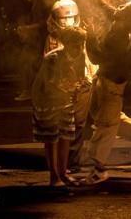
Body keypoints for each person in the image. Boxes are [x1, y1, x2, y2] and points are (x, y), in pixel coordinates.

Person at [83, 0, 131, 184]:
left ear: (128, 18)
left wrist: (89, 35)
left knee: (106, 125)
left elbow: (96, 57)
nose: (119, 6)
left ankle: (99, 169)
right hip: (105, 81)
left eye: (125, 7)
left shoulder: (120, 36)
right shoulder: (124, 25)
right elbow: (109, 8)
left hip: (111, 85)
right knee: (100, 115)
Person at [31, 24, 87, 187]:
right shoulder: (53, 58)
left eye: (80, 43)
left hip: (65, 100)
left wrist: (78, 87)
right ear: (65, 43)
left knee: (66, 136)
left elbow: (79, 78)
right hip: (46, 101)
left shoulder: (81, 56)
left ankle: (63, 173)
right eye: (74, 43)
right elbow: (47, 85)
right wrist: (66, 88)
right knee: (52, 138)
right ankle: (53, 176)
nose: (78, 47)